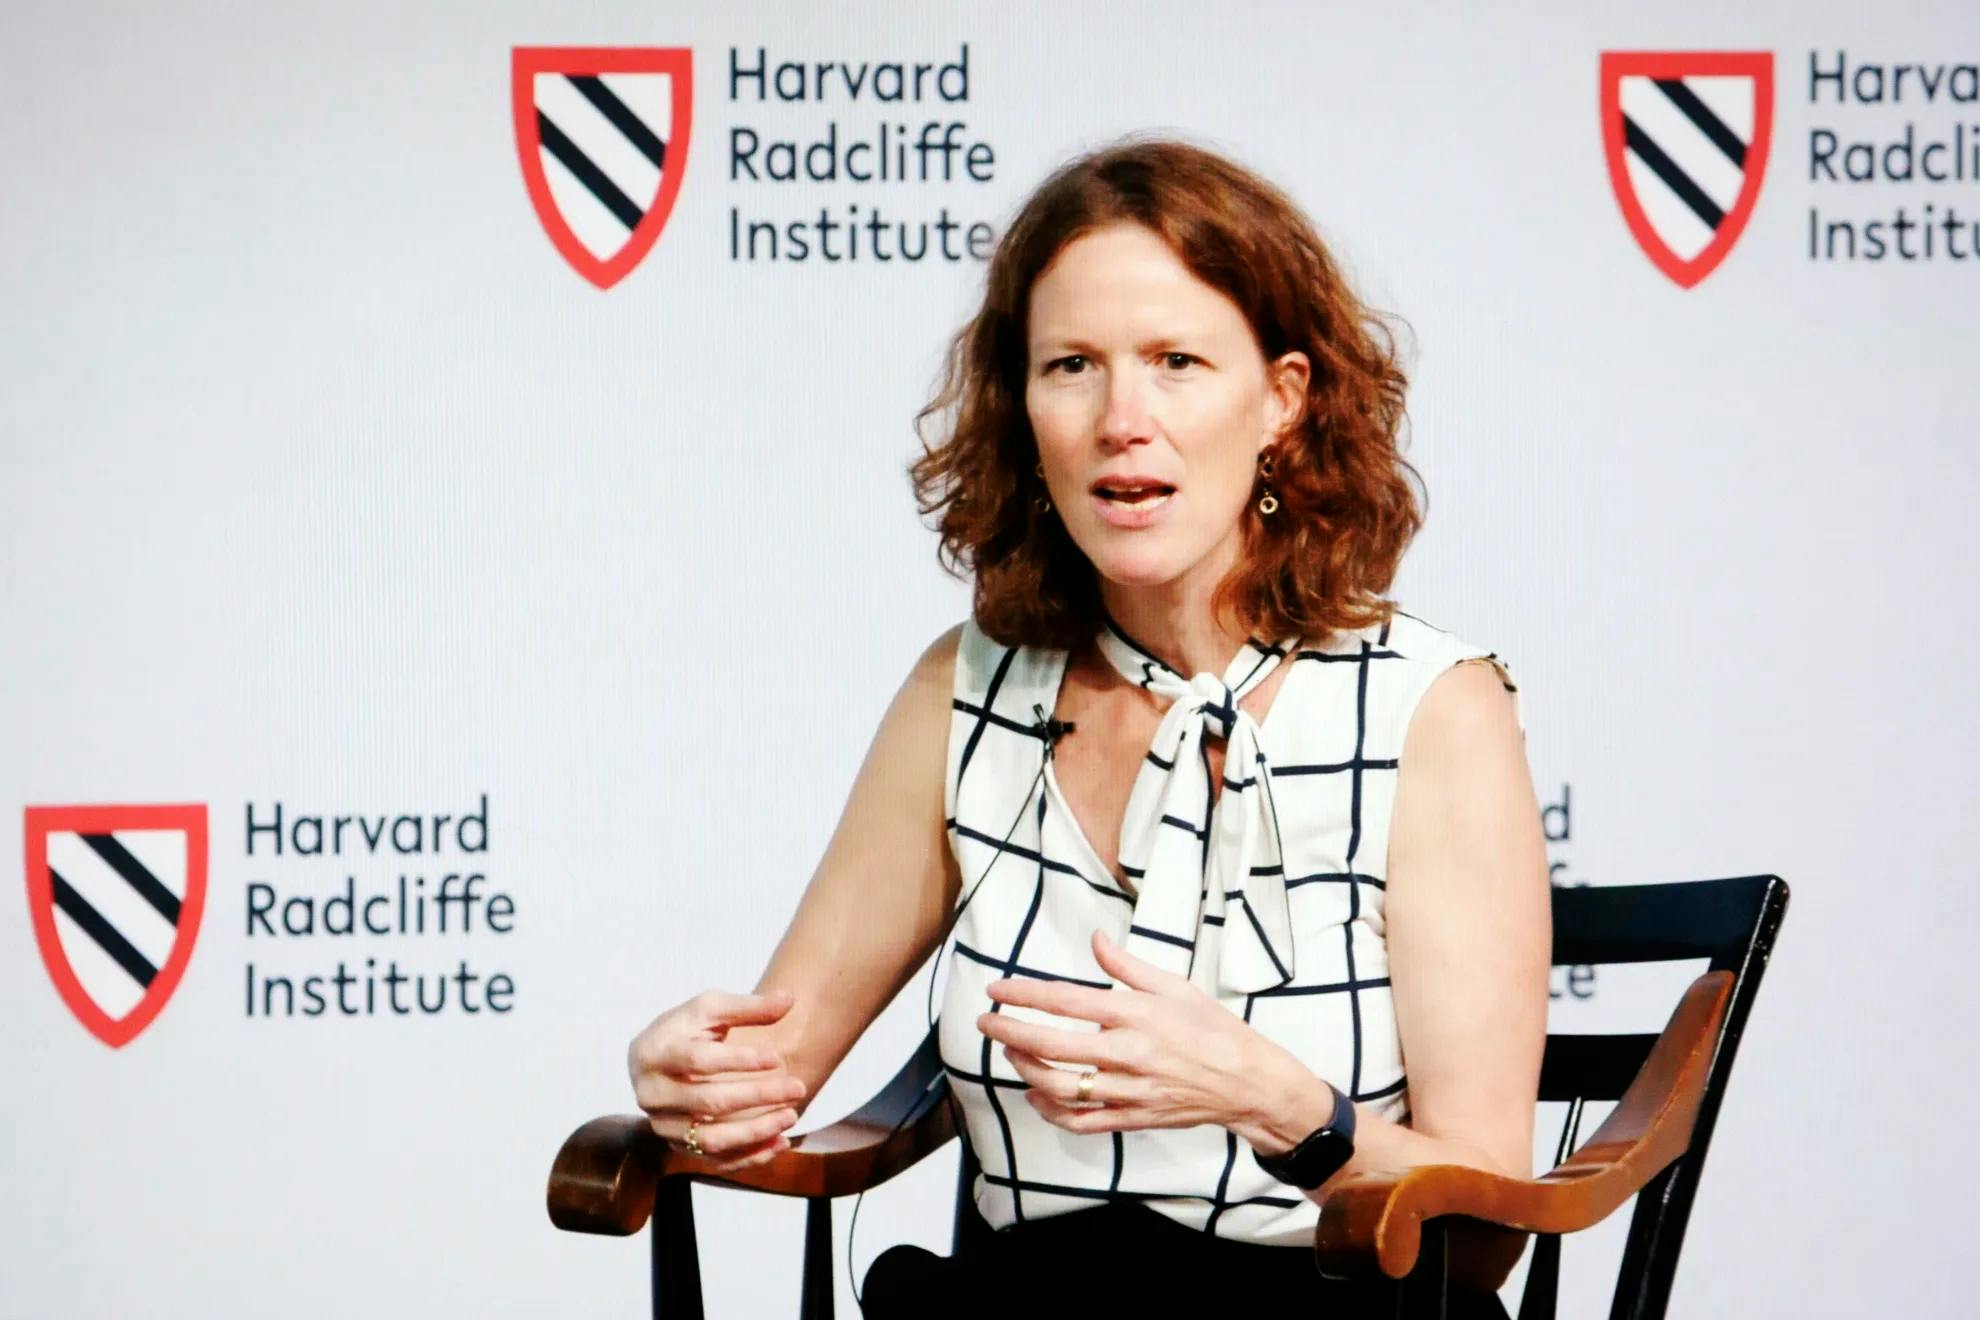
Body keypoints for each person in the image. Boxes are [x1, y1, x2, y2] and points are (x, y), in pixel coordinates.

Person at [625, 137, 1549, 1318]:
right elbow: (767, 1073)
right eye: (1072, 365)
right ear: (1026, 407)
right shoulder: (961, 692)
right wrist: (691, 1078)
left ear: (1282, 399)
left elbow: (1484, 1230)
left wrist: (1275, 1100)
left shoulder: (1433, 708)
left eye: (1177, 362)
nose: (1124, 418)